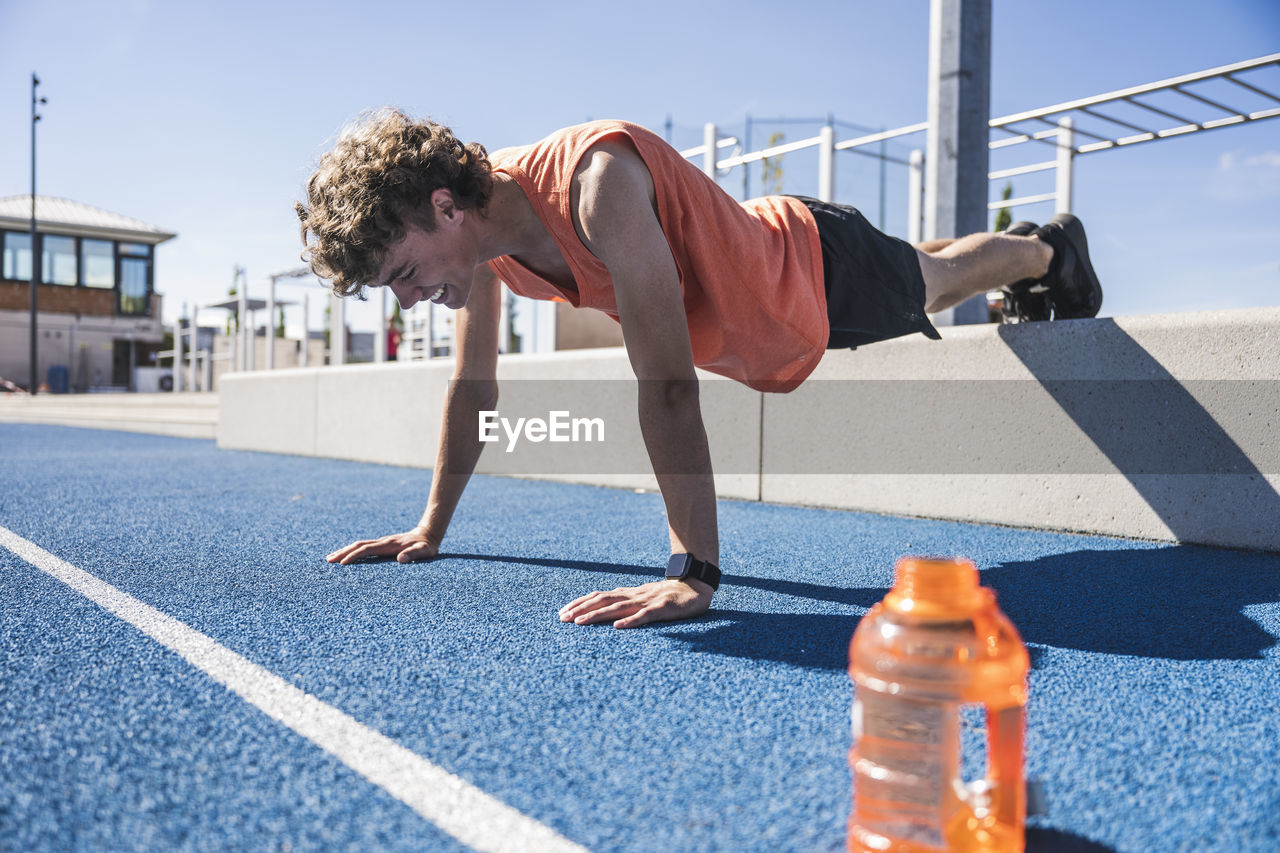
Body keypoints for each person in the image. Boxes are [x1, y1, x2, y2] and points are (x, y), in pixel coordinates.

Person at [297, 109, 1101, 629]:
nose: (407, 300)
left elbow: (668, 386)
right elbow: (475, 389)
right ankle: (1037, 254)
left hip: (809, 272)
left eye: (401, 273)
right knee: (929, 268)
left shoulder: (594, 185)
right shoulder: (482, 245)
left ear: (444, 205)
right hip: (763, 309)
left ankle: (1049, 250)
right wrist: (430, 527)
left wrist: (694, 570)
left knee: (937, 279)